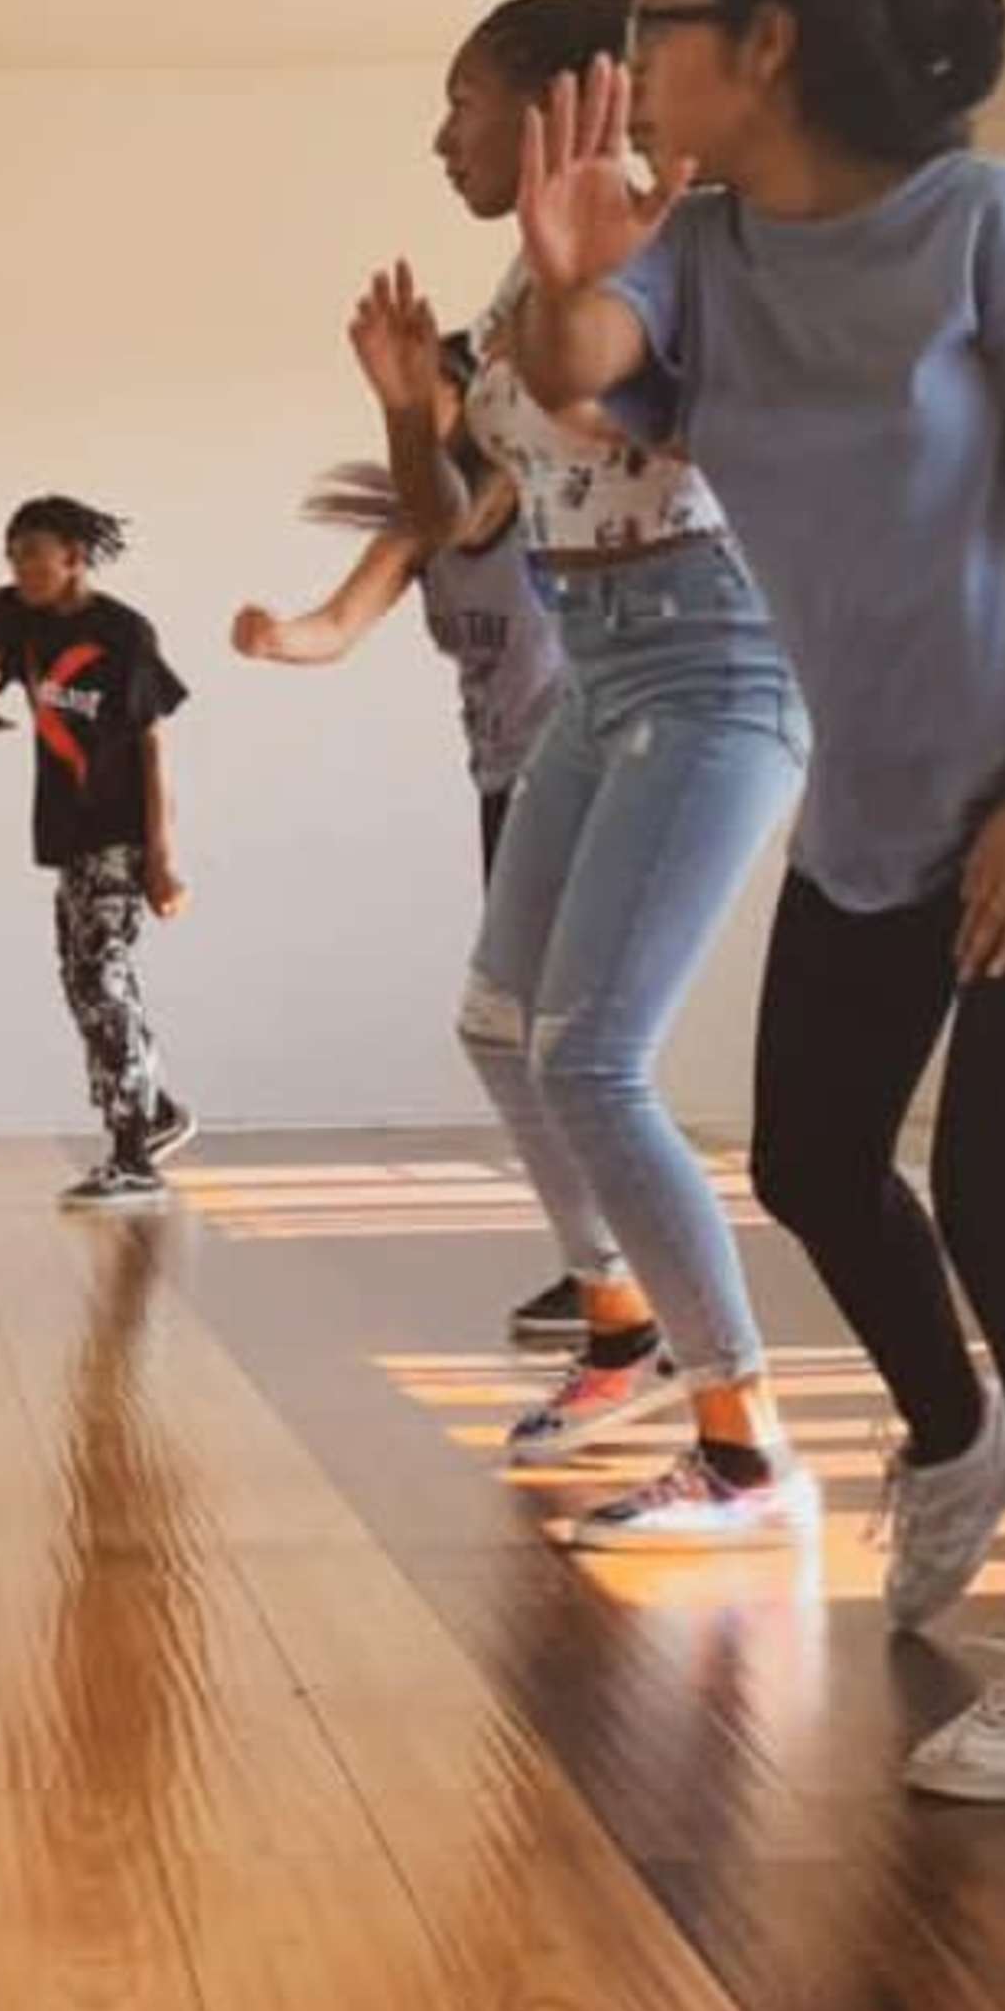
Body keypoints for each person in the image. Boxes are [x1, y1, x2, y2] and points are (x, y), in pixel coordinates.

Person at [511, 0, 1005, 1801]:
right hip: (881, 799)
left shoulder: (994, 224)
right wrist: (571, 265)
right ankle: (951, 1430)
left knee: (1000, 1195)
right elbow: (579, 384)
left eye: (659, 20)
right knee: (813, 1156)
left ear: (770, 42)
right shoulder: (706, 251)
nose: (631, 57)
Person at [357, 0, 815, 1533]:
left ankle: (747, 1440)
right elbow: (447, 518)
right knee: (502, 1026)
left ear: (565, 102)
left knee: (594, 1056)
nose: (441, 136)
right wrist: (405, 406)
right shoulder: (518, 285)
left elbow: (600, 395)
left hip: (715, 657)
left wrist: (573, 286)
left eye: (462, 100)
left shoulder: (657, 238)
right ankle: (619, 1326)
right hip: (598, 667)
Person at [237, 354, 581, 1344]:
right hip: (502, 785)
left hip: (581, 777)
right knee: (519, 1032)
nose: (402, 428)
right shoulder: (416, 533)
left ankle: (618, 1278)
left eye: (418, 401)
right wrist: (275, 636)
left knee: (564, 1036)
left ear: (476, 403)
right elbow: (337, 625)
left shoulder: (548, 487)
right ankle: (595, 1267)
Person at [0, 496, 194, 1209]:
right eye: (12, 553)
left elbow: (153, 745)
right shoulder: (13, 610)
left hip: (119, 833)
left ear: (74, 558)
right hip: (64, 831)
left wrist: (161, 856)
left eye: (34, 554)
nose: (21, 568)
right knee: (84, 981)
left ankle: (132, 1154)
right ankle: (156, 1110)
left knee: (104, 978)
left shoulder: (124, 635)